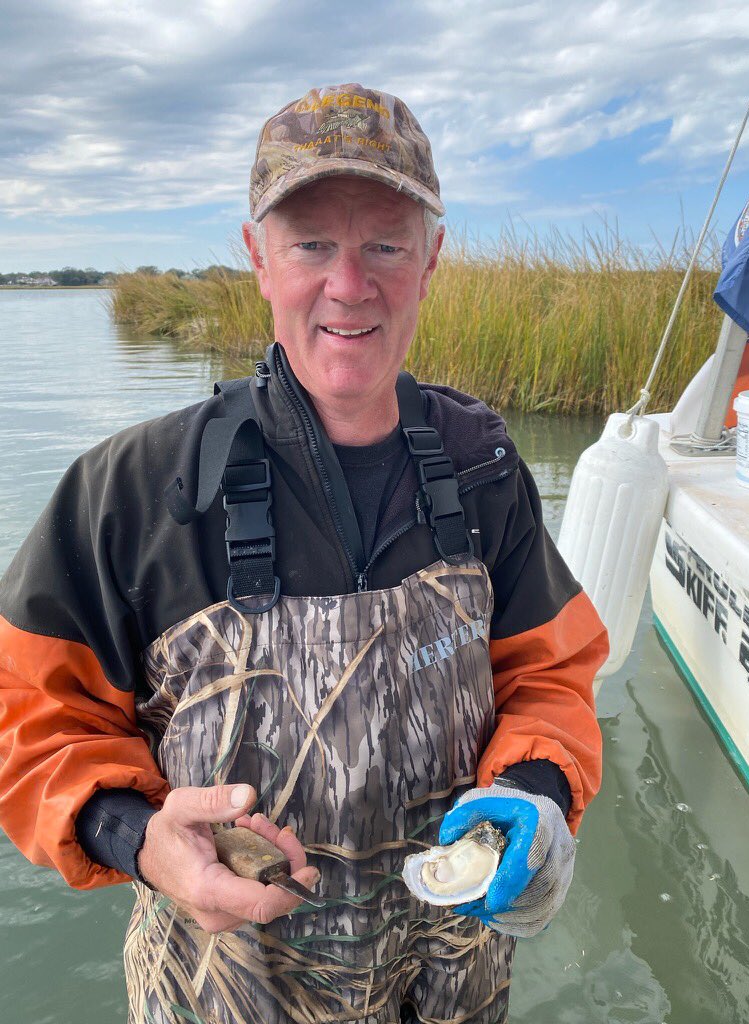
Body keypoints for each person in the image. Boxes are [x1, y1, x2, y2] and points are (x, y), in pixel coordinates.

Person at [0, 83, 608, 1023]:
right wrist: (134, 834)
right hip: (215, 995)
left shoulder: (484, 468)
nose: (350, 284)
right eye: (313, 242)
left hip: (451, 993)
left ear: (432, 257)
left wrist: (535, 792)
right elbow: (27, 723)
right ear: (258, 256)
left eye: (386, 244)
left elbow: (550, 681)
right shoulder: (132, 491)